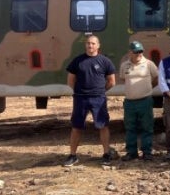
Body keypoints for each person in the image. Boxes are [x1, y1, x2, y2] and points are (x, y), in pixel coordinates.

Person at [63, 34, 117, 167]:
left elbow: (112, 82)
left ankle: (106, 154)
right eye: (88, 43)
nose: (90, 45)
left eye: (93, 43)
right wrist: (79, 91)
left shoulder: (105, 61)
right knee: (76, 127)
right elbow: (70, 80)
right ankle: (73, 155)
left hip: (98, 98)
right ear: (85, 45)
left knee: (103, 126)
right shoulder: (77, 61)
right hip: (80, 98)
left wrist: (100, 91)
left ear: (98, 45)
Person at [119, 40, 159, 161]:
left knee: (147, 127)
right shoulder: (124, 65)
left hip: (145, 101)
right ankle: (131, 152)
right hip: (130, 102)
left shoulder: (149, 64)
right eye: (136, 52)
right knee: (130, 127)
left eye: (141, 51)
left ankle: (147, 152)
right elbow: (123, 79)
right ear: (130, 52)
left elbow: (156, 78)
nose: (139, 54)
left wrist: (147, 89)